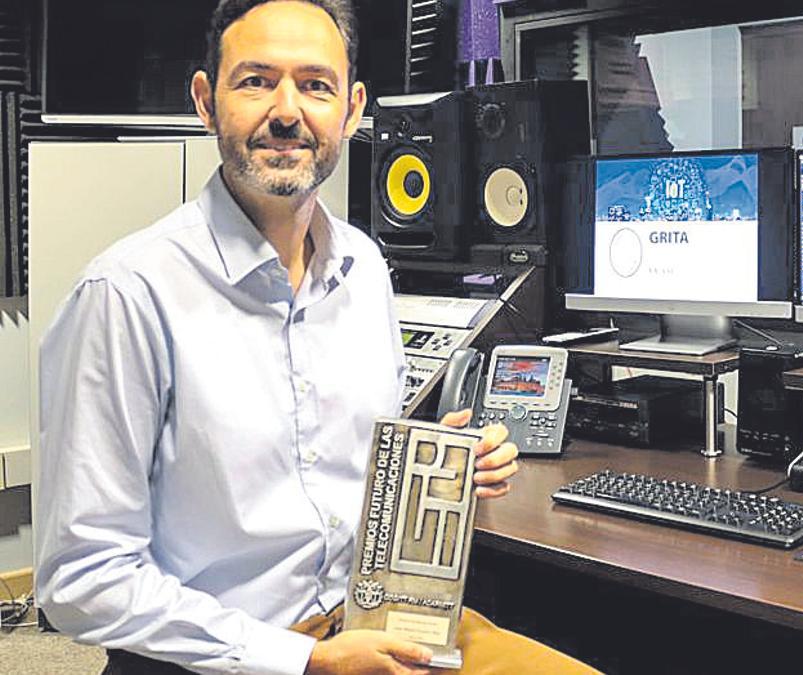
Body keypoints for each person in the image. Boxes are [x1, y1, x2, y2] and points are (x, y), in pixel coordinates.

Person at [34, 2, 598, 674]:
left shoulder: (364, 271)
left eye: (315, 85)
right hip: (228, 655)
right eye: (255, 81)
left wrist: (437, 475)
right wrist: (304, 658)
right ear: (205, 101)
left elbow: (350, 491)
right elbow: (82, 578)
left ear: (353, 110)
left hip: (374, 624)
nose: (286, 110)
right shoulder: (126, 295)